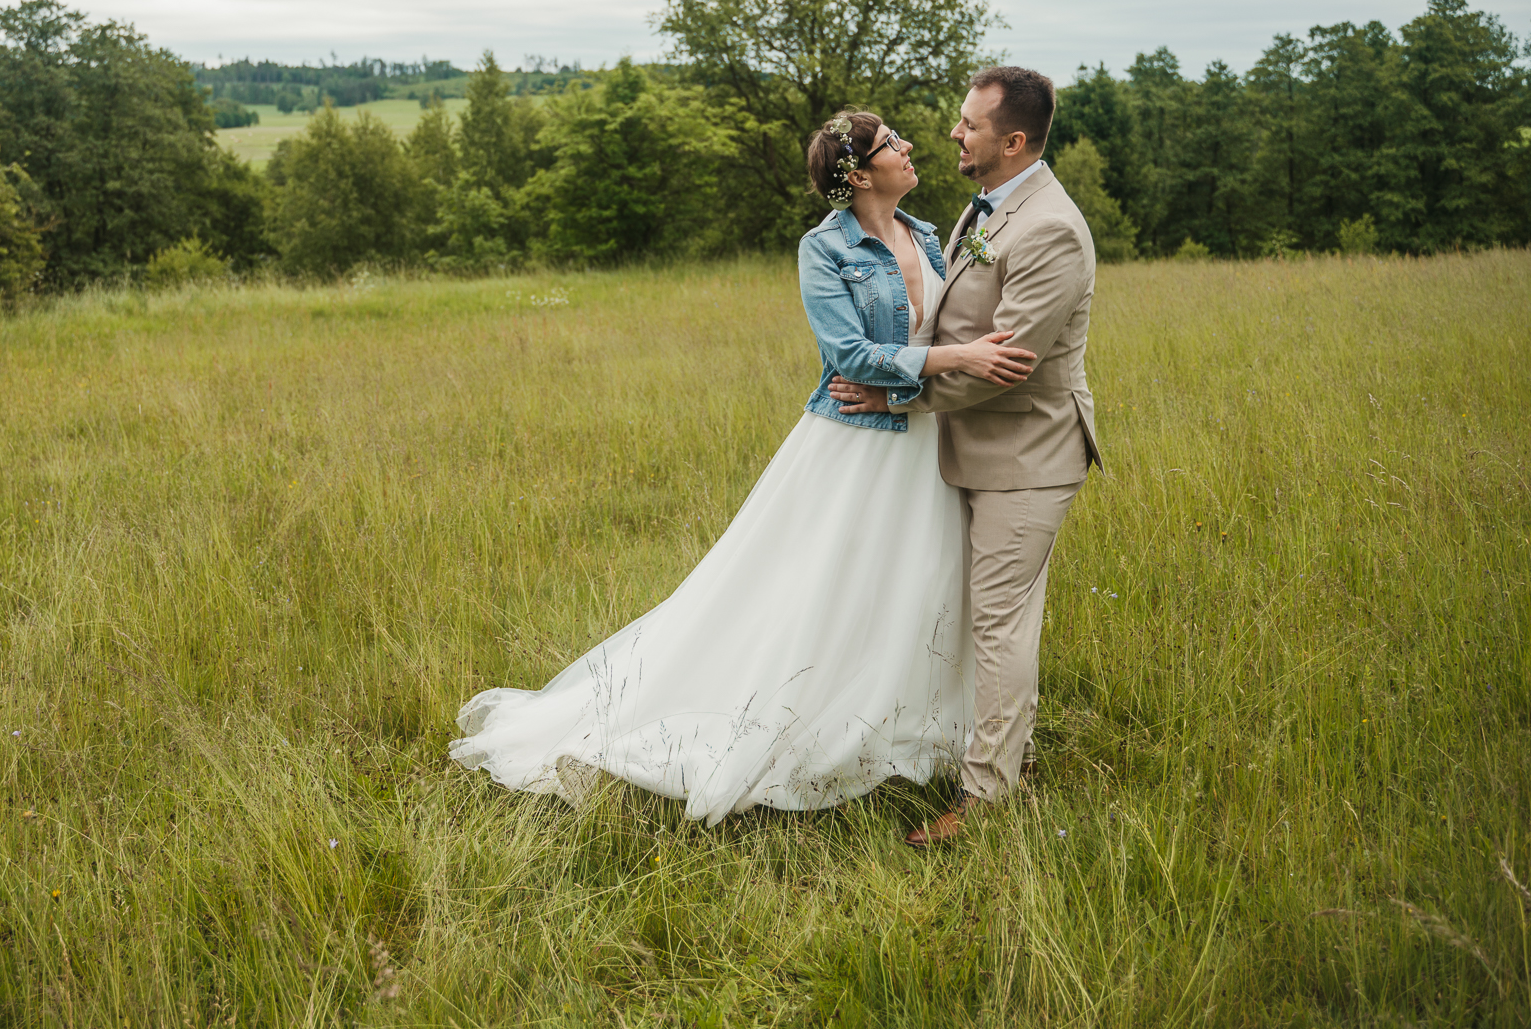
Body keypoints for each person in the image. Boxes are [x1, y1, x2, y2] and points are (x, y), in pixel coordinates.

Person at [449, 110, 1037, 824]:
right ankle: (792, 715)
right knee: (823, 589)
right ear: (858, 175)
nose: (910, 145)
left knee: (918, 582)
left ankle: (912, 722)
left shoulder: (926, 234)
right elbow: (848, 356)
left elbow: (944, 324)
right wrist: (957, 359)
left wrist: (950, 363)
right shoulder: (823, 249)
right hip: (856, 442)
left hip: (924, 439)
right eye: (891, 143)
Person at [829, 65, 1103, 845]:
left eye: (969, 124)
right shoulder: (987, 205)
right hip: (973, 448)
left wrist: (894, 396)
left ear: (1012, 141)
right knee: (981, 617)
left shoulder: (1050, 228)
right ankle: (996, 751)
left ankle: (987, 797)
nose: (953, 132)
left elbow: (1002, 365)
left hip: (1027, 454)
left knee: (999, 623)